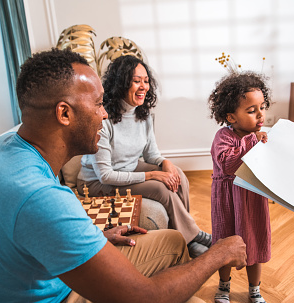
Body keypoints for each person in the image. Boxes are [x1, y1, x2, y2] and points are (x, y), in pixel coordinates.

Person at [0, 48, 247, 303]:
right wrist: (219, 254)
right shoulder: (41, 198)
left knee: (171, 241)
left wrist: (96, 238)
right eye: (97, 104)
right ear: (64, 113)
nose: (104, 113)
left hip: (42, 280)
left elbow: (26, 235)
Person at [76, 55, 211, 258]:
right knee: (160, 187)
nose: (143, 86)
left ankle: (187, 236)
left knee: (179, 177)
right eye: (136, 81)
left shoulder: (143, 114)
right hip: (95, 182)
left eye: (146, 81)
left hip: (128, 168)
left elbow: (151, 154)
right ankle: (192, 237)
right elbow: (105, 175)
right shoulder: (104, 120)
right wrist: (152, 176)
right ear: (121, 83)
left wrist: (166, 164)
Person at [208, 70, 272, 303]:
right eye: (251, 110)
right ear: (231, 117)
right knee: (225, 241)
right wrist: (252, 141)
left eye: (262, 107)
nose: (260, 114)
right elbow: (228, 164)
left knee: (253, 241)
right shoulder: (223, 137)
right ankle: (223, 286)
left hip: (252, 198)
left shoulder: (262, 138)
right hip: (226, 198)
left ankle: (254, 290)